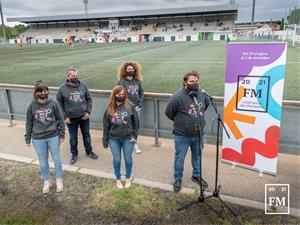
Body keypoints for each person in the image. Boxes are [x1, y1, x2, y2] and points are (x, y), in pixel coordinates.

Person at [165, 71, 209, 193]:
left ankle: (196, 175)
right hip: (182, 135)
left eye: (196, 81)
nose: (195, 83)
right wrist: (183, 122)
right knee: (180, 158)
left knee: (197, 156)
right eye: (192, 81)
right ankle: (178, 179)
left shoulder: (202, 94)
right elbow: (169, 113)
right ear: (185, 82)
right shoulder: (177, 96)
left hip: (199, 134)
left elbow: (205, 106)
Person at [25, 81, 65, 194]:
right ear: (36, 93)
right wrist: (27, 138)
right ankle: (47, 181)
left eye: (46, 91)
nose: (44, 93)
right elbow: (29, 123)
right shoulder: (32, 105)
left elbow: (60, 119)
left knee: (56, 158)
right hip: (38, 139)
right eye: (41, 91)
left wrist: (62, 134)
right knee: (43, 161)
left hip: (53, 136)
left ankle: (59, 180)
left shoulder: (53, 103)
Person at [56, 67, 98, 165]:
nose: (75, 77)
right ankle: (74, 154)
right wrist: (65, 117)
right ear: (68, 76)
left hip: (84, 117)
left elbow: (89, 99)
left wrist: (88, 112)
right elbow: (59, 104)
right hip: (71, 118)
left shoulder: (83, 85)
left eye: (76, 75)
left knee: (86, 135)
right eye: (73, 76)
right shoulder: (62, 88)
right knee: (73, 137)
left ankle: (89, 152)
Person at [102, 85, 139, 189]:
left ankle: (128, 178)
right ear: (114, 95)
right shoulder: (109, 108)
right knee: (117, 159)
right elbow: (106, 125)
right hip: (113, 139)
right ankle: (118, 179)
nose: (121, 96)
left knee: (128, 159)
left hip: (128, 138)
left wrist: (135, 136)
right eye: (119, 94)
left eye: (123, 94)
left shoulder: (130, 106)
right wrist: (105, 139)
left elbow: (136, 123)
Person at [117, 61, 144, 154]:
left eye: (132, 69)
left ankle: (135, 143)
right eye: (129, 69)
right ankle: (126, 143)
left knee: (136, 126)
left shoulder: (137, 81)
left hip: (137, 108)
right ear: (125, 70)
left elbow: (141, 93)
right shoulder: (121, 82)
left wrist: (140, 102)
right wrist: (130, 106)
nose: (131, 70)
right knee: (128, 125)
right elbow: (120, 95)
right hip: (127, 108)